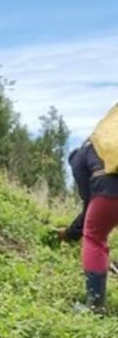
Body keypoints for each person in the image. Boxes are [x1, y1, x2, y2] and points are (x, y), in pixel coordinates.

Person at [58, 107, 118, 314]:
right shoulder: (106, 143)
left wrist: (69, 233)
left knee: (94, 237)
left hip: (109, 190)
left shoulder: (79, 159)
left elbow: (89, 205)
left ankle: (94, 306)